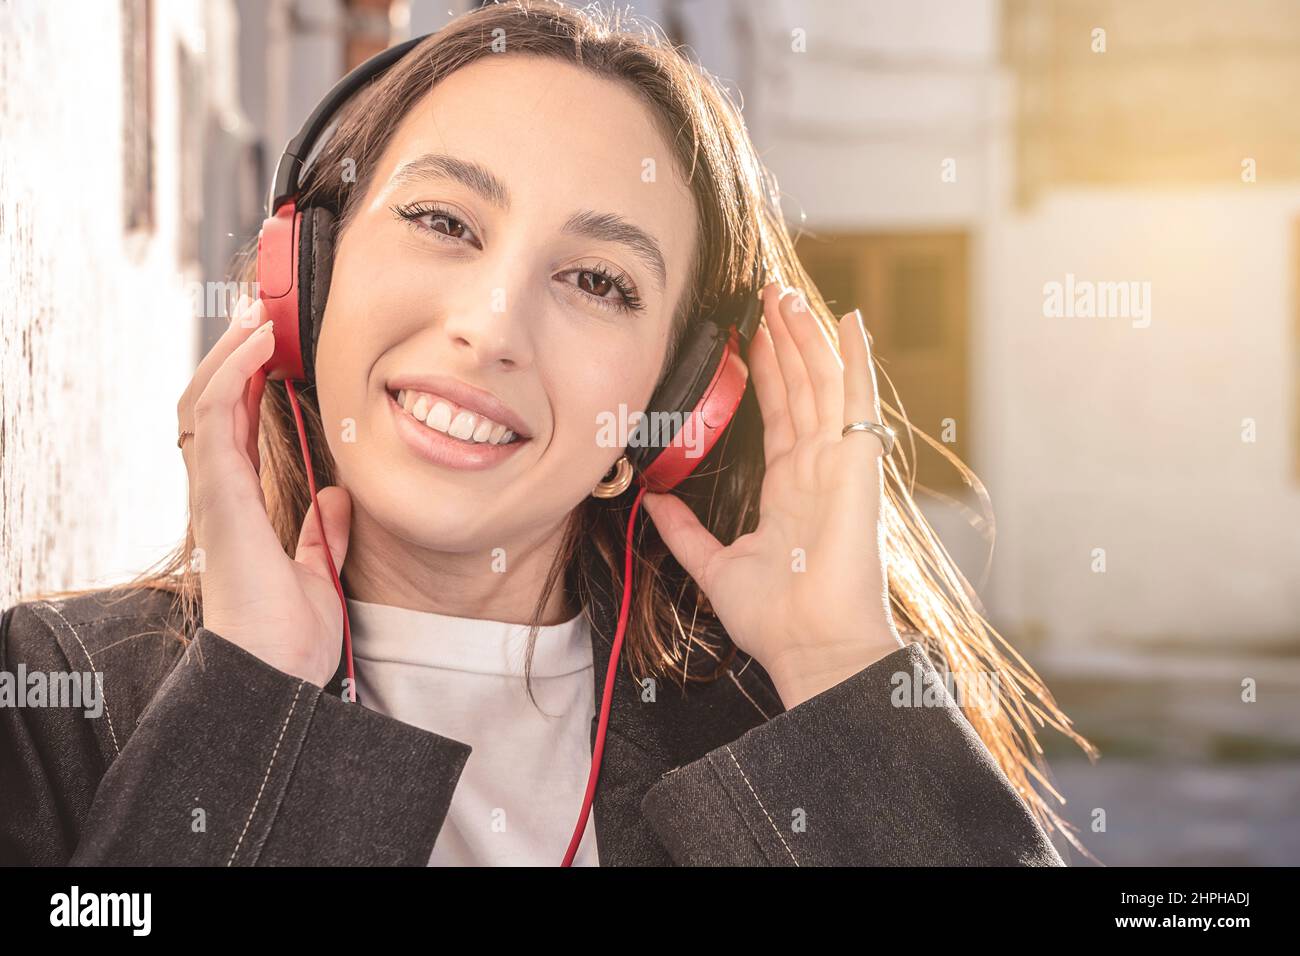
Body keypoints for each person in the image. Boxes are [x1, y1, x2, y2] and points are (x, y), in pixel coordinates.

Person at [0, 0, 1093, 866]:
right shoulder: (61, 697)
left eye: (597, 280)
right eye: (441, 220)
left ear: (671, 411)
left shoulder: (777, 746)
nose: (490, 326)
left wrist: (837, 660)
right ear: (308, 277)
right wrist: (249, 702)